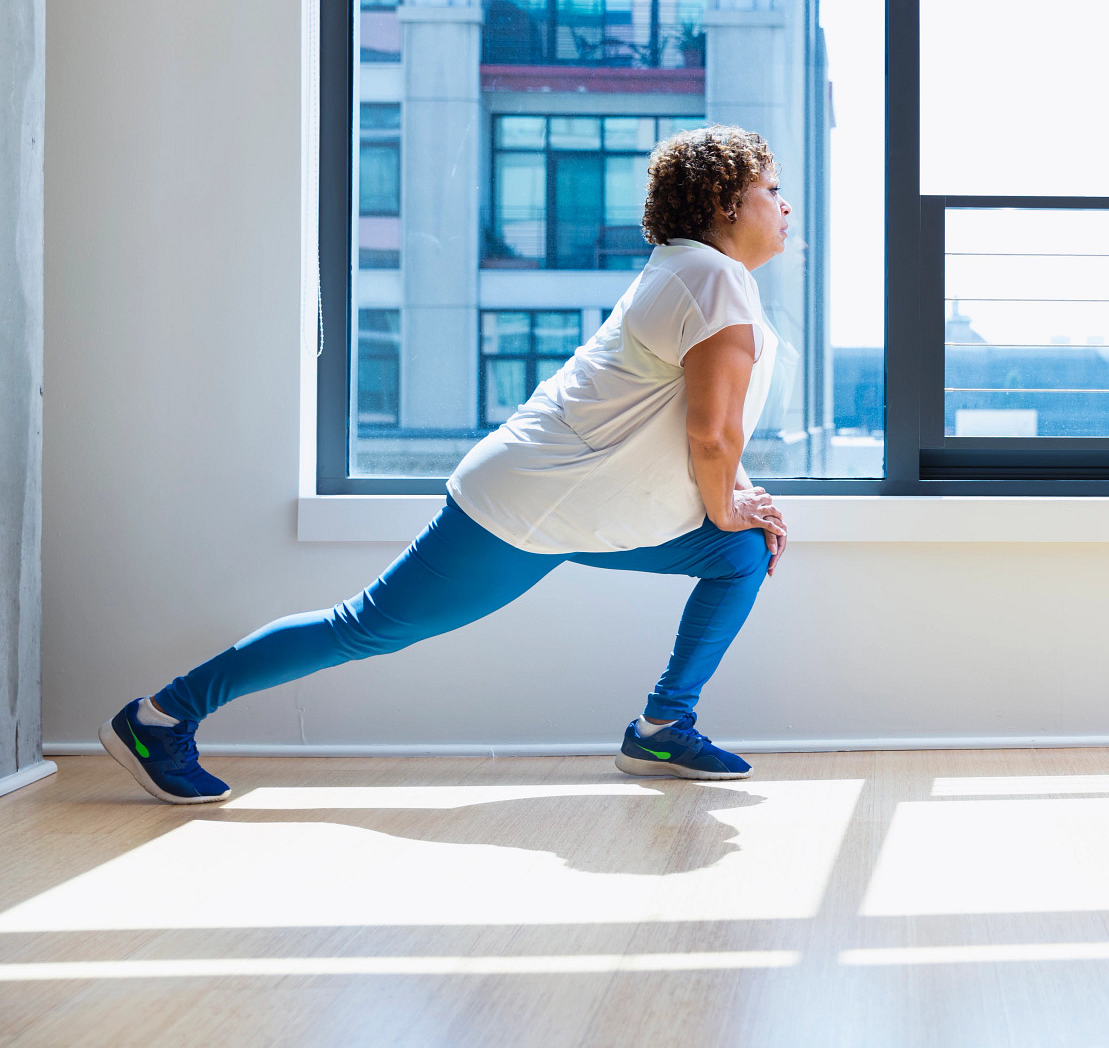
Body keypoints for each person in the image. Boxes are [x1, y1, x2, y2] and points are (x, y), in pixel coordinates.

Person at [100, 125, 794, 804]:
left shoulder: (695, 272)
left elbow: (686, 415)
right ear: (725, 201)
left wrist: (737, 500)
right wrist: (727, 502)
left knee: (738, 551)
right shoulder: (712, 278)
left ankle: (663, 729)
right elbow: (709, 433)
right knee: (363, 626)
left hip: (580, 502)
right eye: (771, 189)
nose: (784, 205)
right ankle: (158, 718)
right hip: (525, 503)